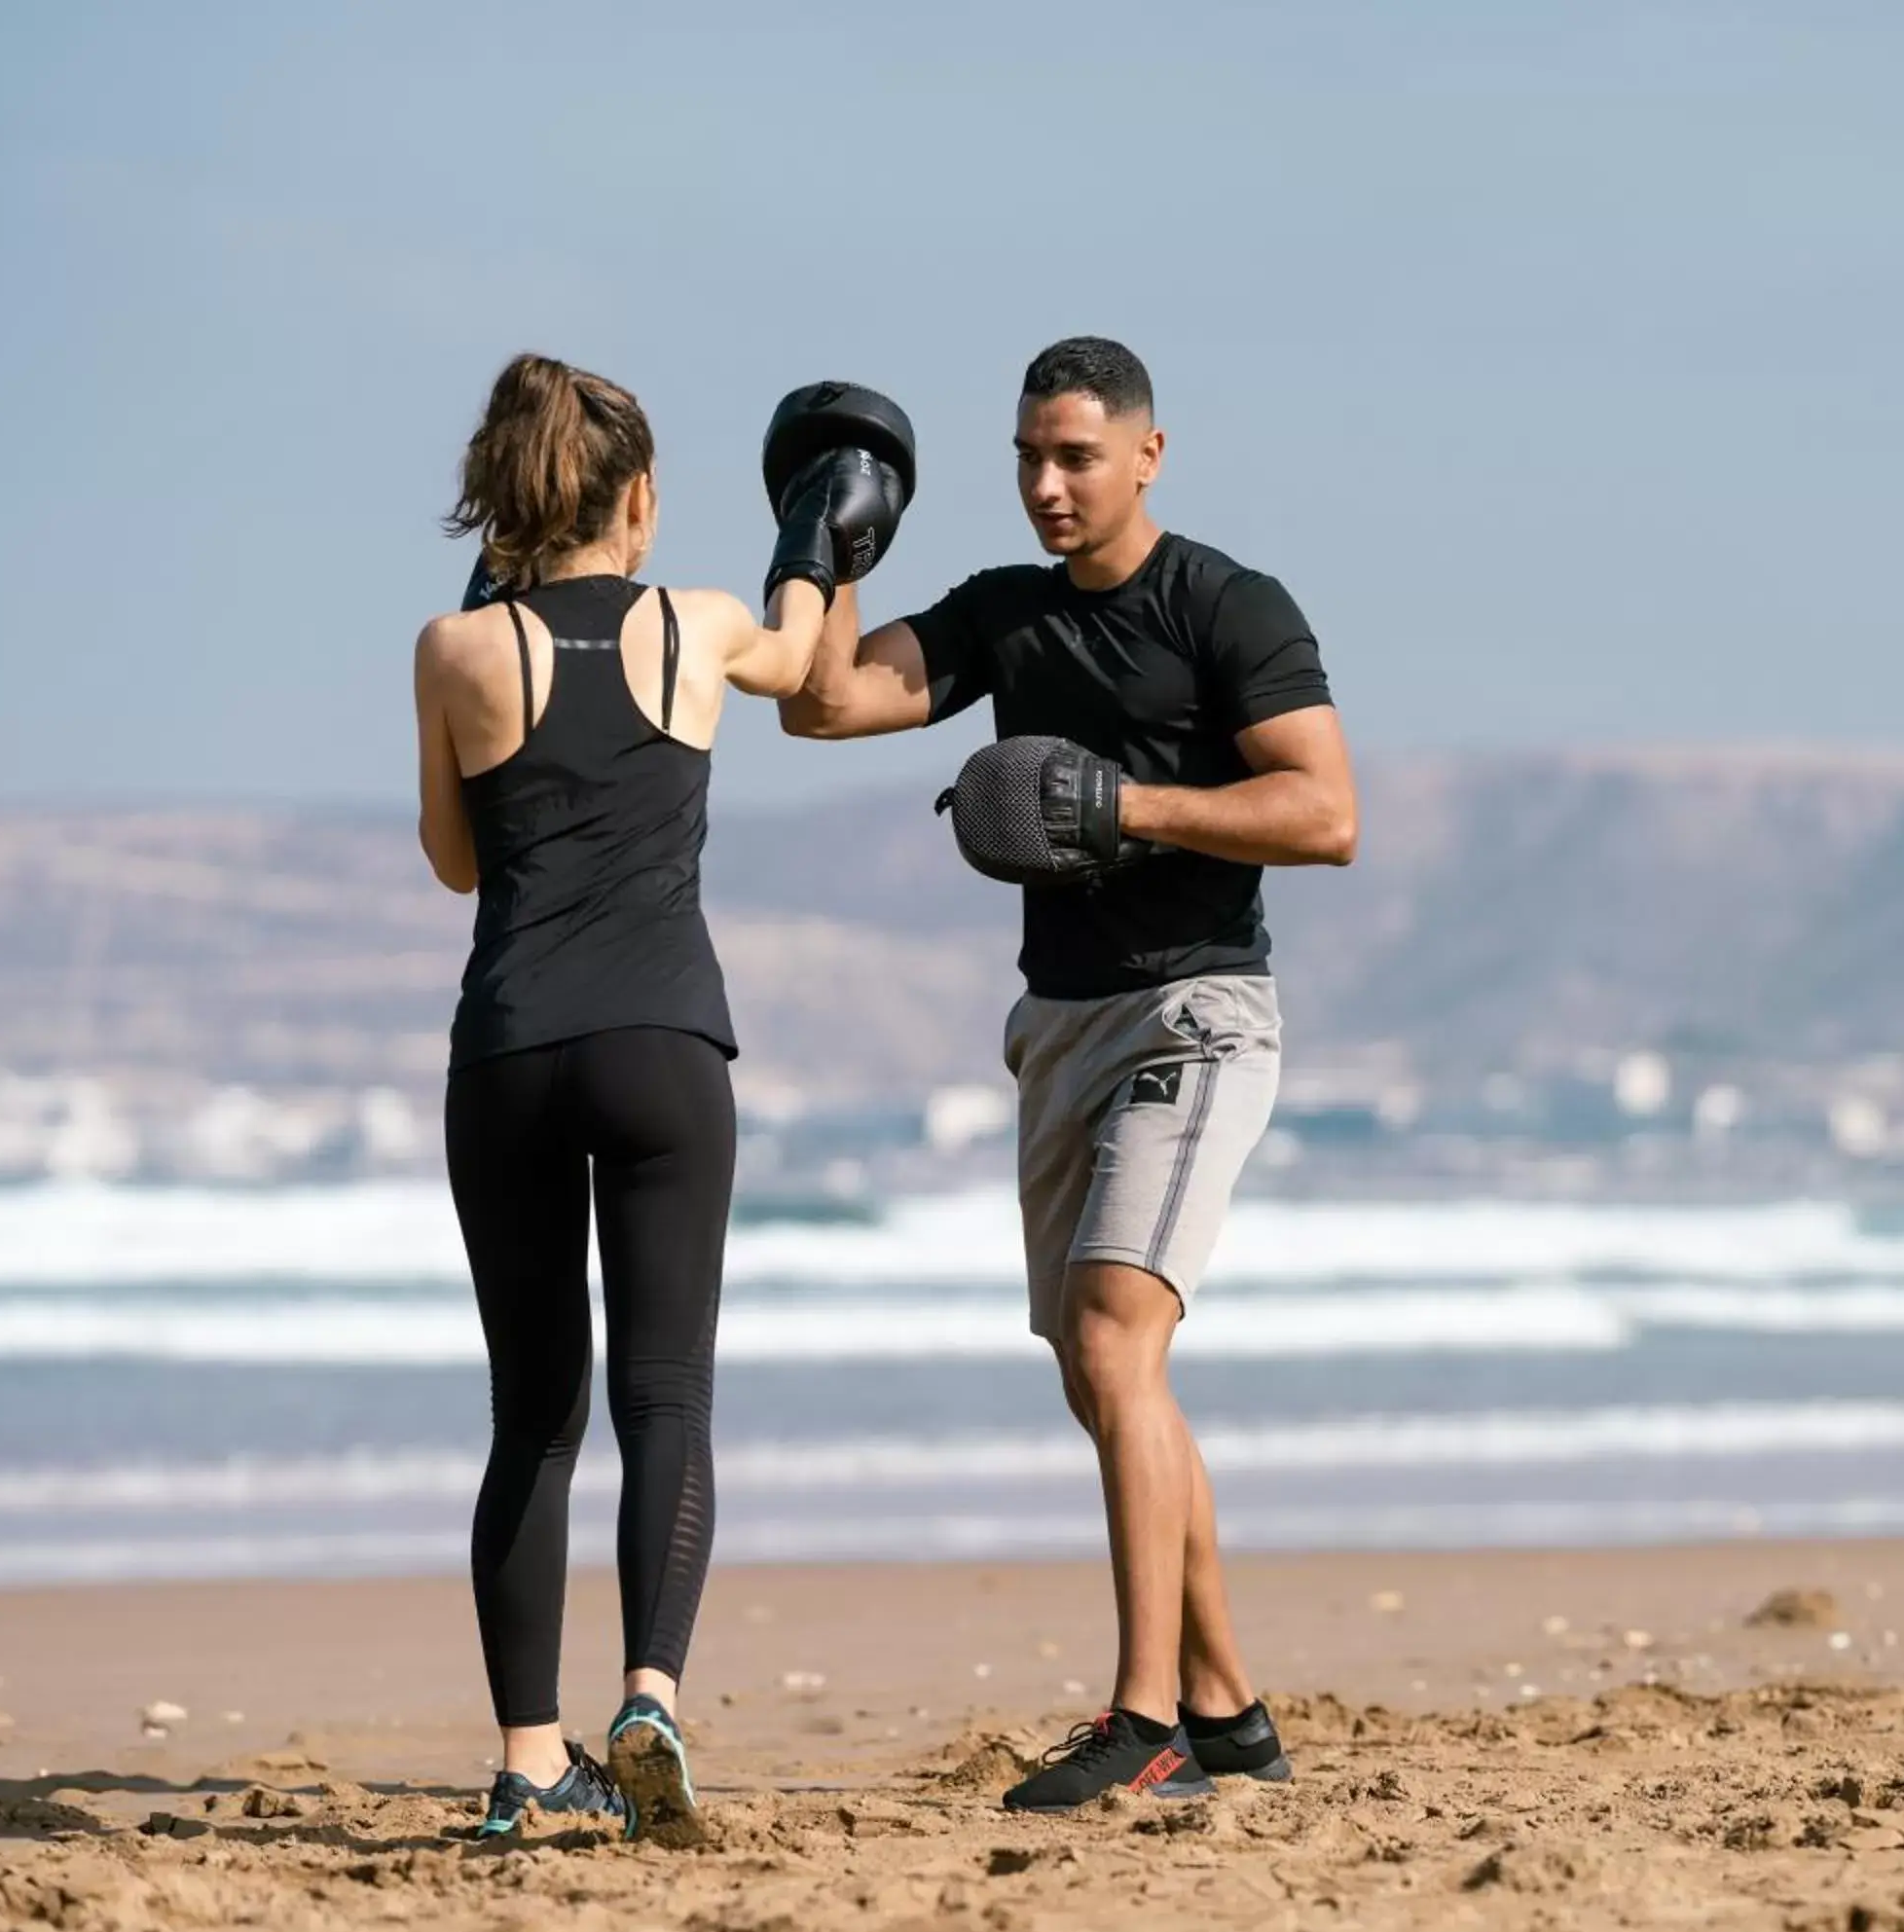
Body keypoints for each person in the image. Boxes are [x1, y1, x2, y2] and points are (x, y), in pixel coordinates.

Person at [780, 336, 1358, 1809]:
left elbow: (1325, 810)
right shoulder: (1002, 616)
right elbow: (826, 703)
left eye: (1077, 457)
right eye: (1029, 456)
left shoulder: (1226, 604)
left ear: (1147, 456)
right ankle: (1229, 1711)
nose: (1046, 484)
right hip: (1061, 1022)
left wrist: (1132, 807)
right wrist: (836, 546)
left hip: (1199, 1012)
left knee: (1114, 1344)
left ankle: (1144, 1718)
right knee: (1108, 1379)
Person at [412, 352, 892, 1841]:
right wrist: (825, 519)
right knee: (666, 1393)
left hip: (507, 1052)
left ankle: (519, 1762)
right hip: (665, 1046)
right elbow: (813, 660)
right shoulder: (698, 625)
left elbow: (456, 863)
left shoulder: (453, 649)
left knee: (531, 1422)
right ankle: (651, 1703)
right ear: (641, 499)